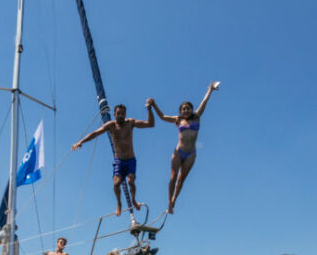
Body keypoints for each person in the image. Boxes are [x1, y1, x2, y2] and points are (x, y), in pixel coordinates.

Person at [72, 101, 154, 216]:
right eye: (118, 113)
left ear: (125, 115)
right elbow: (95, 133)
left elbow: (150, 124)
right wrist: (81, 141)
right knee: (116, 184)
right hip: (119, 161)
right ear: (114, 115)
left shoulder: (130, 123)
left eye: (122, 114)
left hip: (130, 160)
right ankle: (119, 204)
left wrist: (150, 109)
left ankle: (134, 200)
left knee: (131, 181)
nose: (120, 115)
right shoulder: (111, 126)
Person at [149, 81, 219, 213]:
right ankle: (169, 201)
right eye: (183, 109)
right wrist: (153, 105)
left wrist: (210, 90)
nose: (186, 110)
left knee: (181, 179)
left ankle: (174, 199)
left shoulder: (196, 117)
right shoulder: (178, 120)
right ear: (180, 111)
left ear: (191, 109)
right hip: (179, 152)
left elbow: (204, 102)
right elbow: (162, 117)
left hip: (191, 154)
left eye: (188, 108)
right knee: (173, 177)